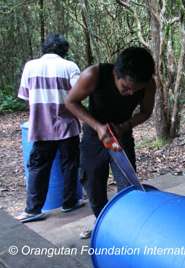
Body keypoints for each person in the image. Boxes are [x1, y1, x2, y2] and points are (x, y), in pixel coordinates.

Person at [66, 46, 156, 239]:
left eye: (135, 90)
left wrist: (125, 126)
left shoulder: (148, 84)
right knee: (92, 183)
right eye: (126, 88)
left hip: (121, 134)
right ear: (116, 73)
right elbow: (71, 102)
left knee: (128, 182)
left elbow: (146, 112)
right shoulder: (93, 75)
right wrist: (98, 127)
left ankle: (125, 226)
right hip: (93, 135)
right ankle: (102, 222)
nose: (130, 93)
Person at [15, 33, 86, 223]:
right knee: (70, 165)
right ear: (64, 50)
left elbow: (26, 97)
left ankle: (32, 210)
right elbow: (78, 95)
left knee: (38, 167)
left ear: (45, 47)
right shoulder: (70, 67)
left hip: (41, 127)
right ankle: (69, 202)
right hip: (67, 126)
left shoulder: (30, 66)